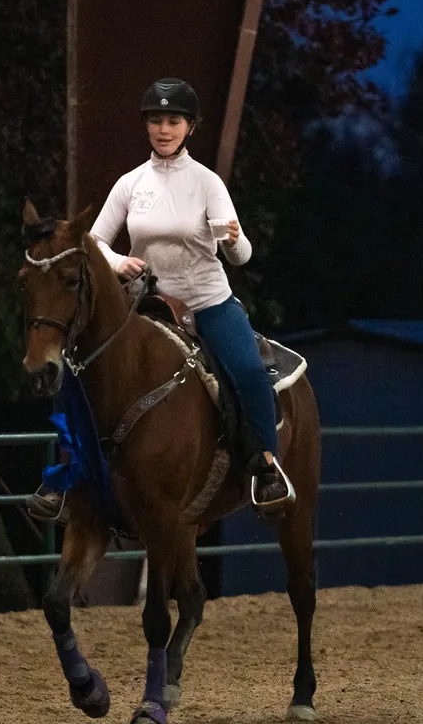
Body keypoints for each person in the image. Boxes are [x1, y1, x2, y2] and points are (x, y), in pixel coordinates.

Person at [28, 78, 293, 518]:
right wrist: (115, 263)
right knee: (77, 367)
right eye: (156, 121)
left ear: (191, 127)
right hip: (147, 304)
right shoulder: (130, 184)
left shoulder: (207, 183)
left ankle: (265, 467)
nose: (163, 129)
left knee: (247, 369)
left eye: (173, 120)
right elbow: (92, 242)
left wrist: (232, 241)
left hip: (207, 301)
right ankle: (62, 475)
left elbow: (241, 254)